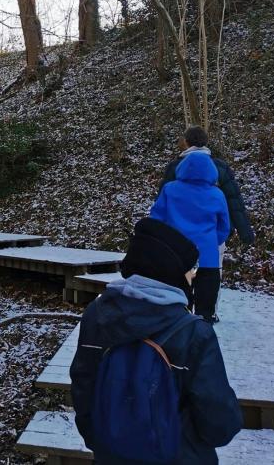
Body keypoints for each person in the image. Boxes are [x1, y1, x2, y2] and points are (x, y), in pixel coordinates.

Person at [70, 218, 242, 464]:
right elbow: (220, 423)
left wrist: (103, 442)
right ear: (172, 271)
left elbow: (83, 388)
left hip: (112, 454)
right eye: (190, 269)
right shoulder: (193, 333)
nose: (194, 275)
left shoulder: (97, 315)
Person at [151, 152, 230, 323]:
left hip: (175, 257)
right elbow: (224, 227)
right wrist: (210, 242)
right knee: (205, 311)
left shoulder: (170, 190)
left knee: (175, 306)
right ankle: (202, 335)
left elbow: (156, 220)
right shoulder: (217, 194)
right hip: (207, 260)